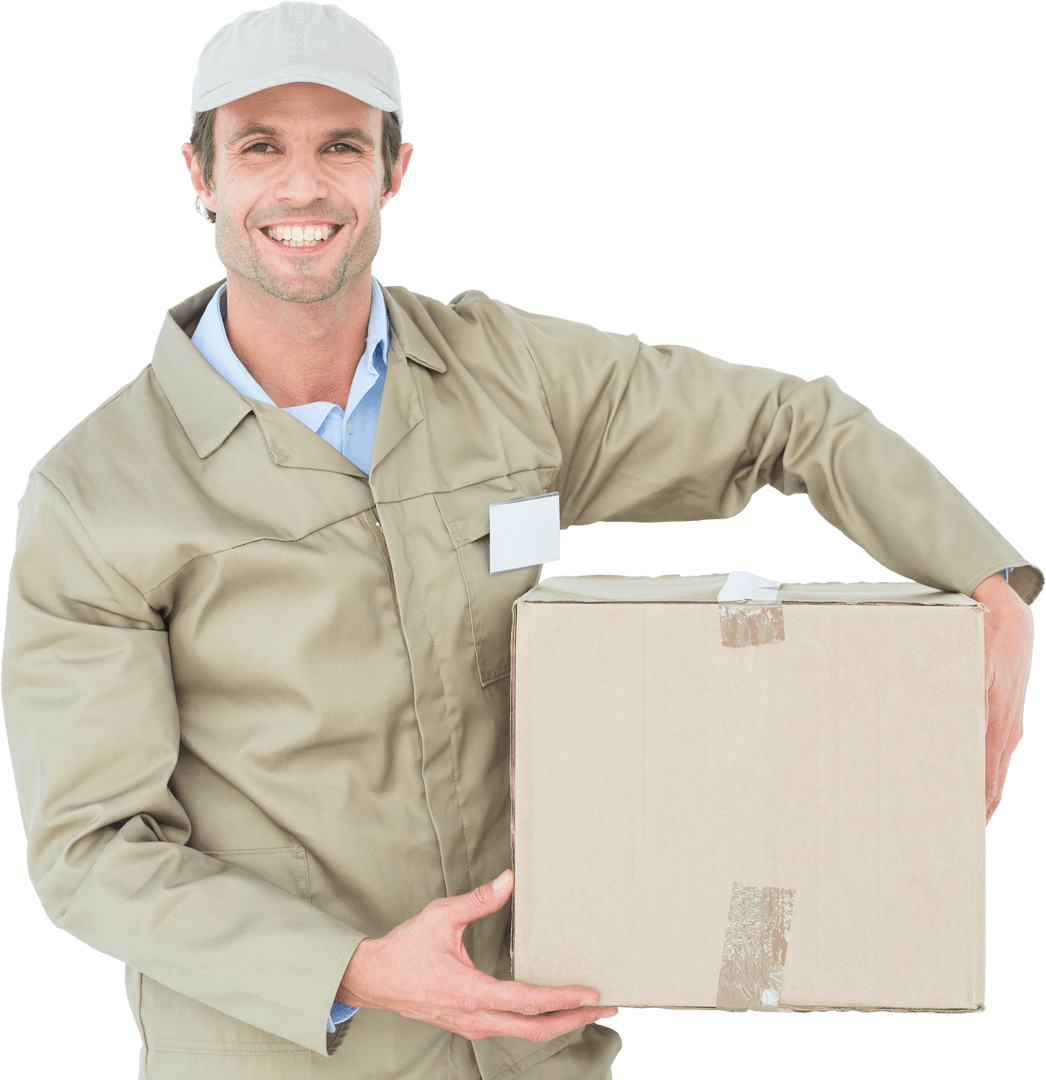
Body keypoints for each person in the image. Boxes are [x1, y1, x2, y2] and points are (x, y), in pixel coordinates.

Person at [0, 3, 1037, 1078]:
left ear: (394, 169)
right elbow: (93, 853)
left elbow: (789, 422)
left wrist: (989, 585)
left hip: (537, 1049)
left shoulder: (509, 379)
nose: (301, 187)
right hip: (286, 1056)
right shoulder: (95, 494)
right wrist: (350, 971)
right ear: (200, 174)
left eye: (341, 145)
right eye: (260, 146)